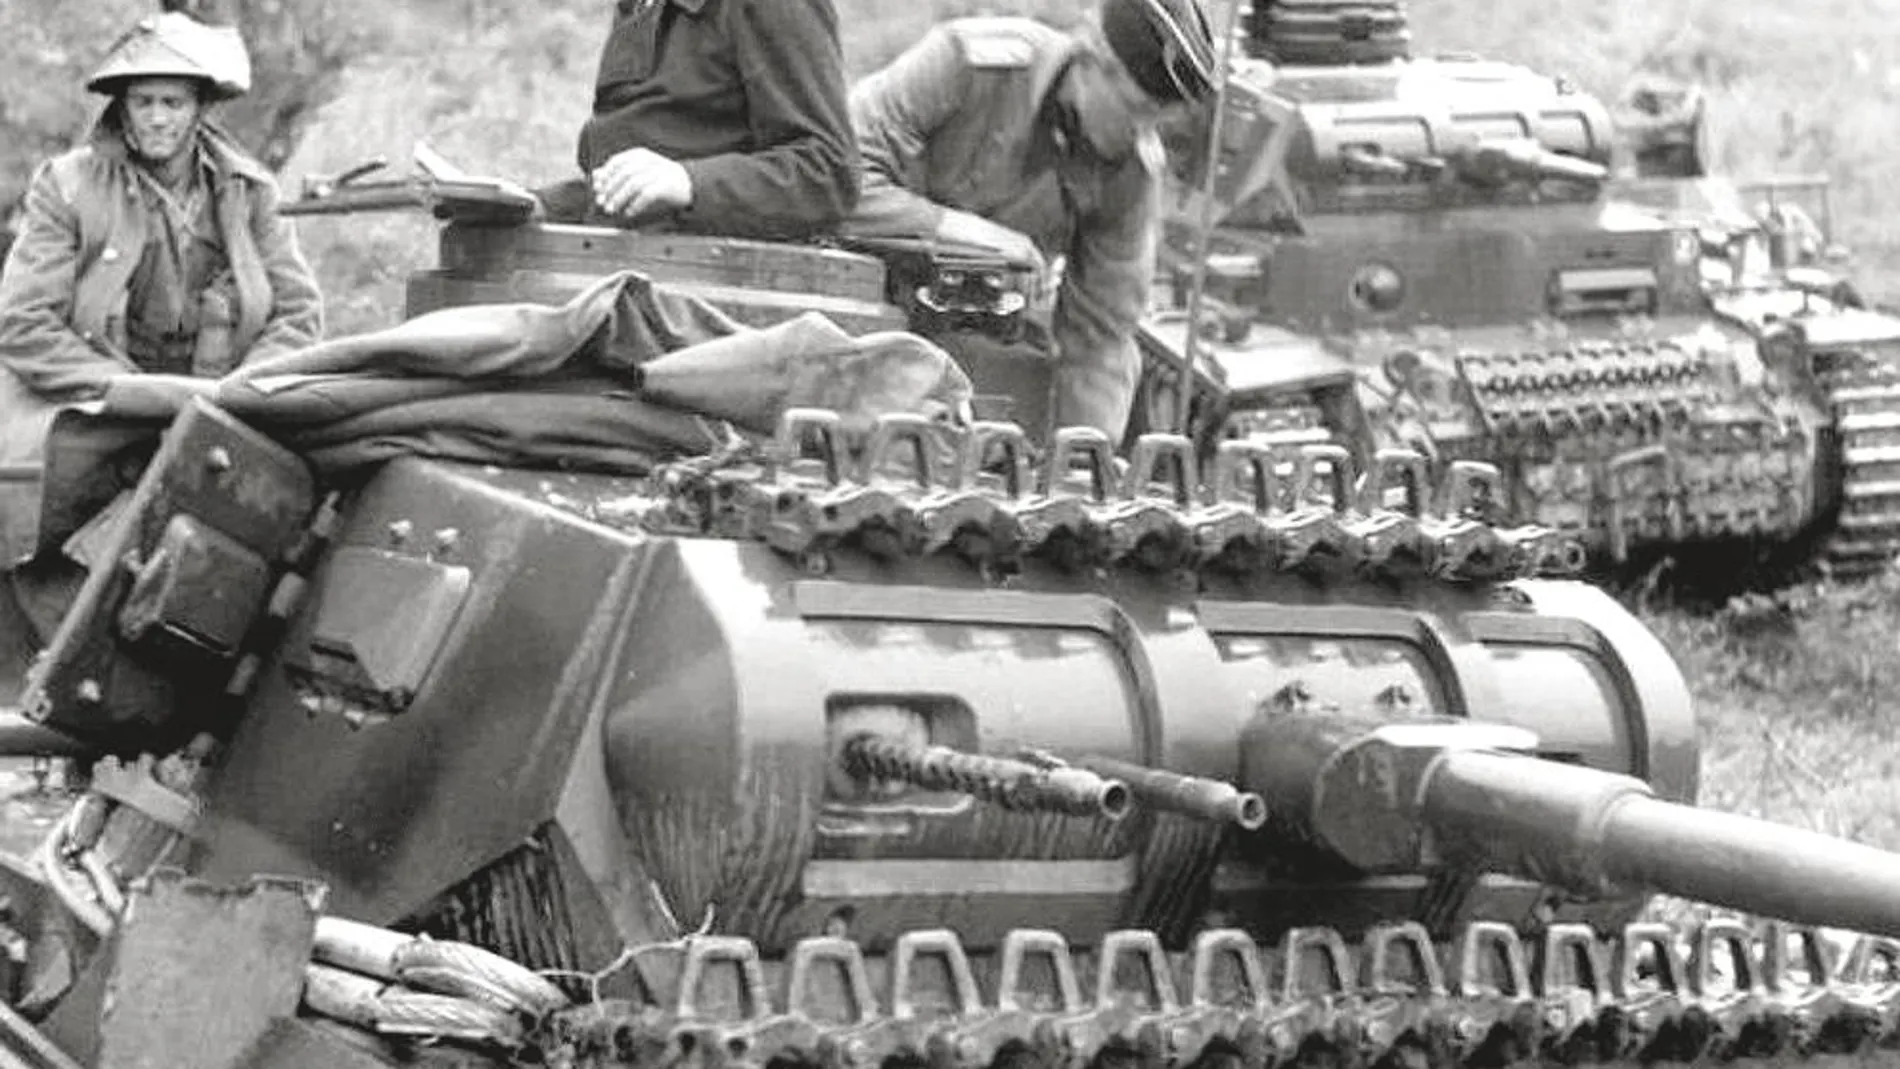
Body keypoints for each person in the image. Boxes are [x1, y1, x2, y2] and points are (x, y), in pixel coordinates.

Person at [0, 10, 322, 639]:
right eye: (142, 101)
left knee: (290, 520)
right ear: (121, 106)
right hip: (95, 402)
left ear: (200, 107)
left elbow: (298, 315)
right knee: (38, 526)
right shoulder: (66, 188)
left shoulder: (247, 191)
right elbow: (23, 324)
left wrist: (244, 393)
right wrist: (131, 393)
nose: (156, 118)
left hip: (222, 409)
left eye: (172, 102)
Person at [845, 0, 1218, 441]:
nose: (1139, 133)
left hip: (978, 356)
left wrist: (1084, 466)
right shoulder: (970, 64)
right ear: (1092, 56)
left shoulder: (1130, 172)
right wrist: (957, 231)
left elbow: (1101, 336)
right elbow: (828, 181)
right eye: (1134, 109)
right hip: (859, 325)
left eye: (1155, 120)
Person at [550, 0, 860, 239]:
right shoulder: (641, 6)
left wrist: (690, 182)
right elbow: (624, 179)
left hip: (712, 282)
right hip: (618, 256)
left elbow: (829, 173)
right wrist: (546, 206)